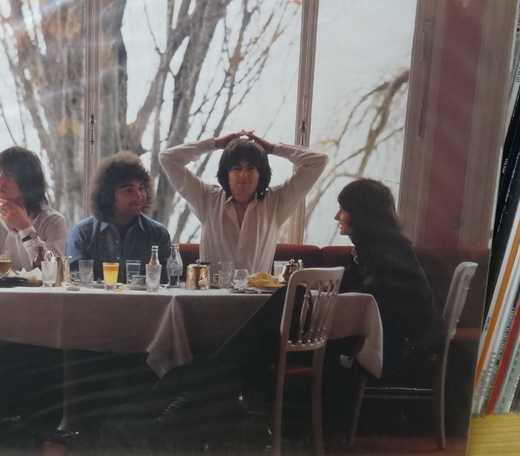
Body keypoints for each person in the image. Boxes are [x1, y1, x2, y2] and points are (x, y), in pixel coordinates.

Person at [159, 131, 327, 273]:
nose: (244, 175)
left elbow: (318, 161)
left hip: (258, 298)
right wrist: (215, 144)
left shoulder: (276, 201)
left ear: (261, 173)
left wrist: (271, 148)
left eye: (251, 168)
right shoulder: (206, 198)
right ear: (226, 173)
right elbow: (168, 158)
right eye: (236, 168)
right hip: (212, 297)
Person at [332, 178, 437, 381]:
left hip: (398, 350)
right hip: (408, 340)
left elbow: (368, 298)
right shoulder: (387, 245)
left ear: (360, 215)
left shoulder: (378, 253)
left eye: (342, 210)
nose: (337, 217)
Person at [66, 151, 172, 282]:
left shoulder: (158, 234)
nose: (139, 196)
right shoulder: (83, 233)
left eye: (141, 188)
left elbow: (166, 284)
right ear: (108, 195)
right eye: (128, 190)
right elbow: (75, 283)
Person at [0, 146, 68, 277]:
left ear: (28, 181)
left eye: (9, 174)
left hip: (41, 292)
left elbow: (54, 274)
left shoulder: (54, 221)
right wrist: (29, 280)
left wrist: (25, 229)